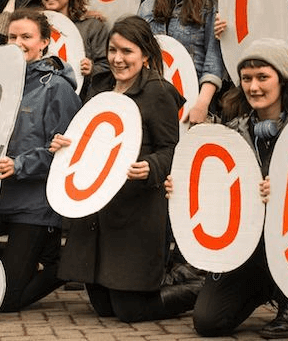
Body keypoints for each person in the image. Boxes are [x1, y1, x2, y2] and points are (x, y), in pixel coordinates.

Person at [54, 16, 196, 323]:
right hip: (97, 207)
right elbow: (88, 134)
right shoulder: (100, 86)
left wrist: (151, 167)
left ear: (145, 54)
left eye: (127, 51)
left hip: (135, 210)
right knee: (105, 308)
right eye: (113, 50)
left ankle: (195, 290)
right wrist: (66, 144)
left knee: (130, 310)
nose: (118, 59)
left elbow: (173, 149)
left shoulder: (158, 91)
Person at [179, 38, 288, 339]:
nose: (254, 87)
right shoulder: (230, 134)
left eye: (263, 77)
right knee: (208, 322)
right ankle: (263, 287)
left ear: (282, 80)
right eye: (247, 78)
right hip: (247, 249)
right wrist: (183, 189)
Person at [0, 8, 81, 311]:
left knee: (7, 300)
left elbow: (67, 152)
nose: (18, 42)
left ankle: (67, 269)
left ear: (44, 42)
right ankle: (44, 256)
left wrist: (20, 165)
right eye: (12, 36)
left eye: (26, 37)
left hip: (34, 206)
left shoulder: (57, 88)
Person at [138, 0, 224, 124]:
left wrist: (201, 104)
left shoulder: (209, 3)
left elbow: (214, 60)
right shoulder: (147, 7)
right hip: (152, 109)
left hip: (195, 108)